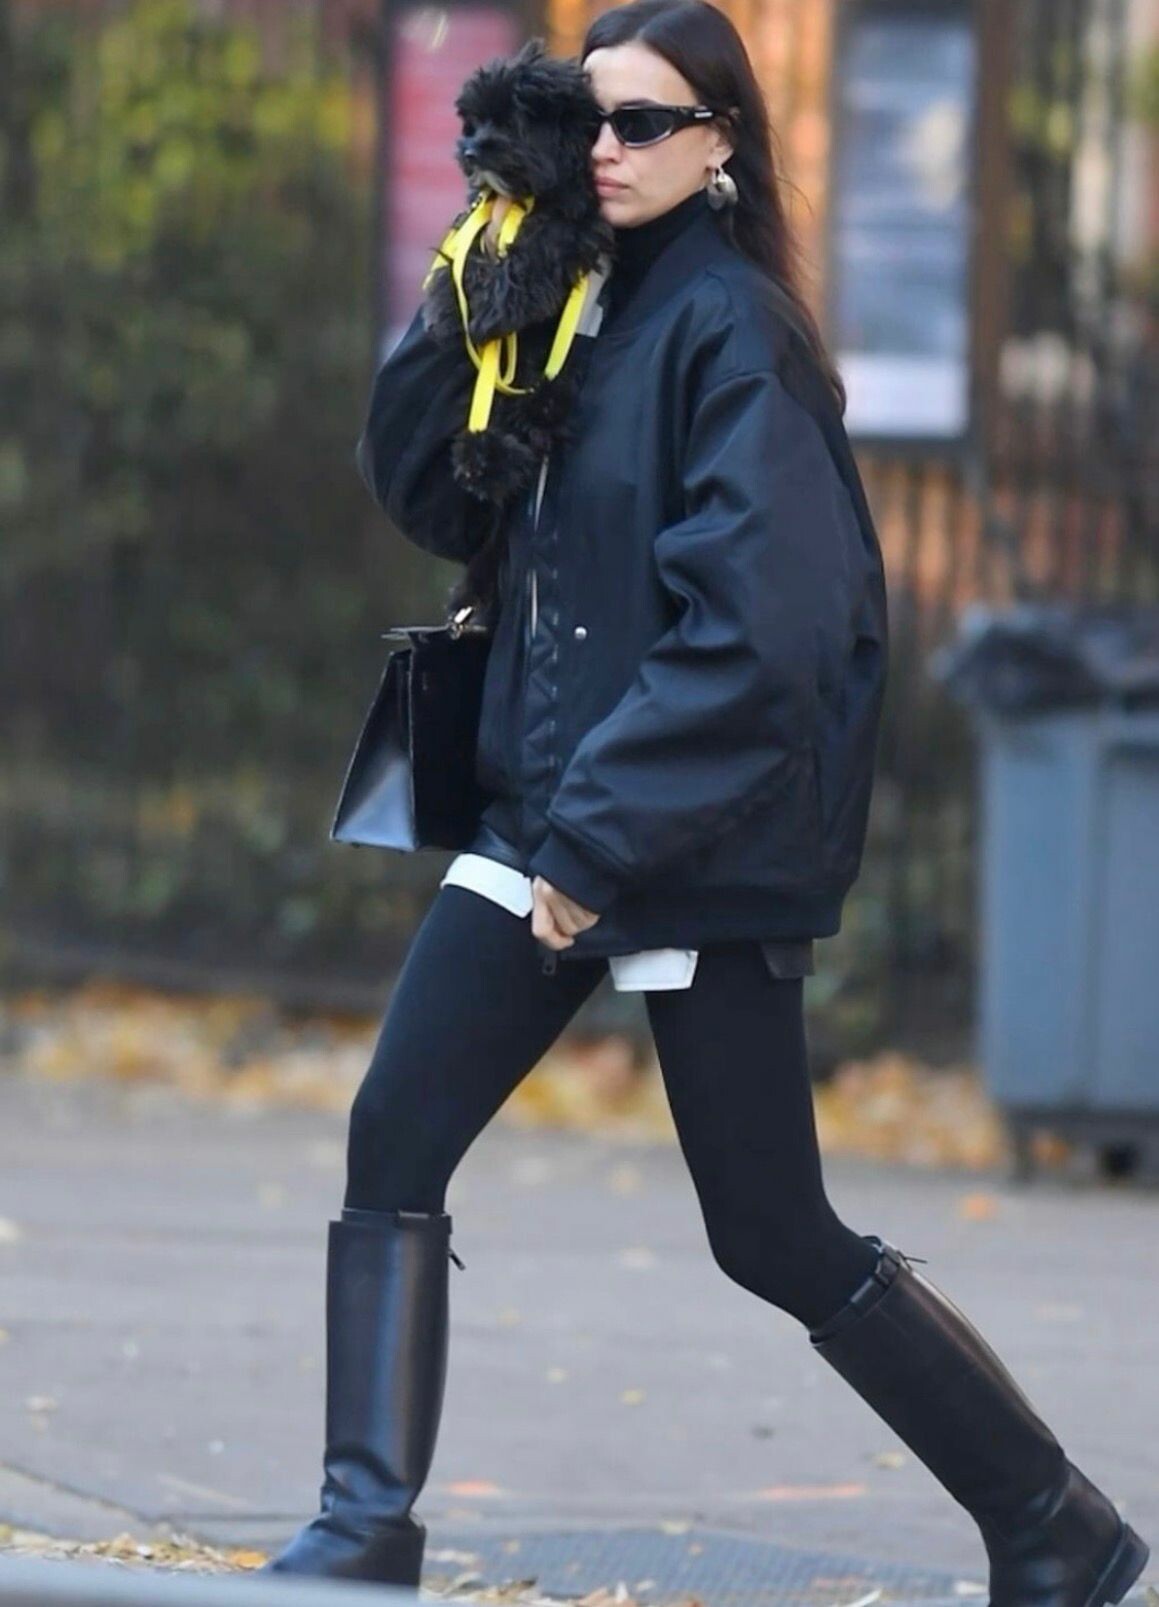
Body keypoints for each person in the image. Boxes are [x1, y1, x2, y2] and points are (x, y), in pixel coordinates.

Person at [263, 3, 1151, 1602]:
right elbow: (427, 491)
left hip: (684, 835)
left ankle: (1056, 1525)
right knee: (394, 1130)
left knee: (771, 1230)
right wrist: (463, 298)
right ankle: (362, 1530)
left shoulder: (736, 335)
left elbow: (768, 634)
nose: (604, 150)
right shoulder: (570, 305)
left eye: (646, 122)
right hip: (547, 807)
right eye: (584, 118)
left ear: (721, 141)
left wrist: (600, 846)